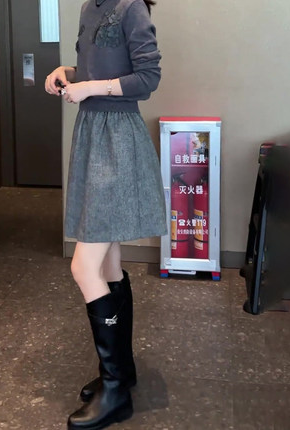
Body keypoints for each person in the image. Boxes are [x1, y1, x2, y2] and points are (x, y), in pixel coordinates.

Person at [45, 0, 166, 428]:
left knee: (84, 267)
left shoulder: (131, 7)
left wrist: (90, 88)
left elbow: (147, 78)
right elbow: (97, 69)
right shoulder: (89, 7)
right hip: (93, 135)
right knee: (108, 264)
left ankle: (115, 390)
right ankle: (120, 375)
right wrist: (68, 72)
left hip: (116, 141)